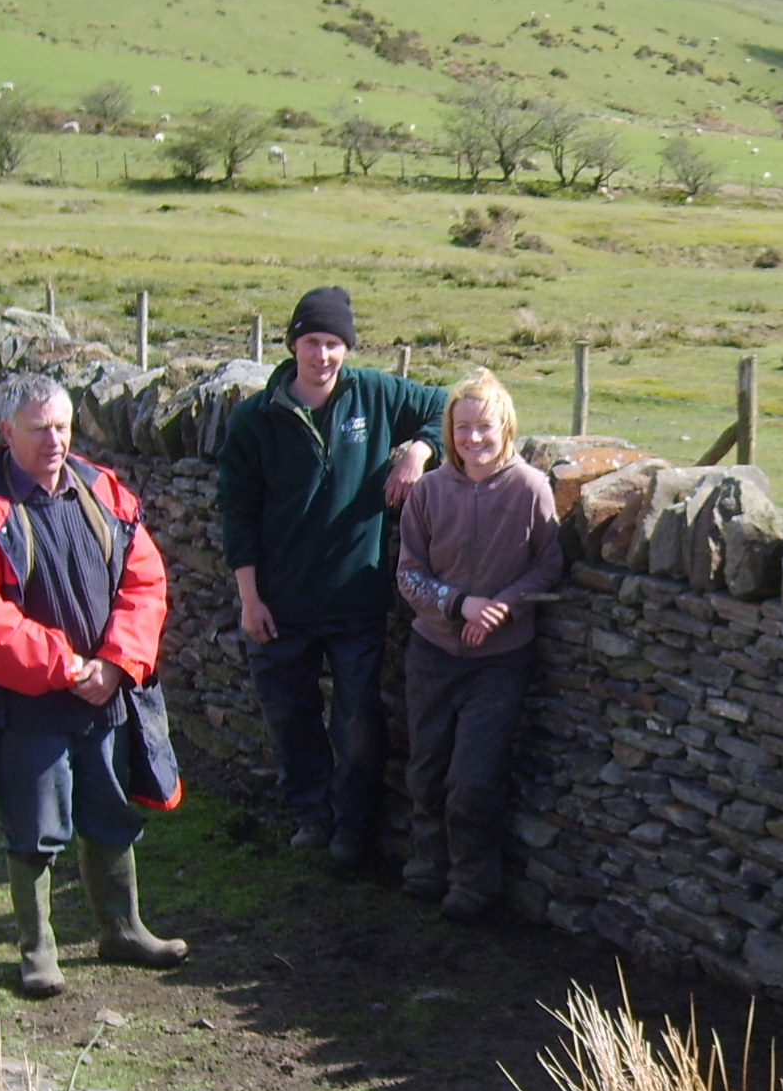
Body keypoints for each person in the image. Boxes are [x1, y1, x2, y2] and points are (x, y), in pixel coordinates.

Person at [0, 370, 187, 998]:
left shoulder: (104, 494)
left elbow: (144, 582)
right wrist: (66, 667)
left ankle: (122, 929)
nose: (55, 440)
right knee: (35, 826)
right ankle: (37, 949)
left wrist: (116, 664)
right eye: (40, 428)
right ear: (6, 431)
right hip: (26, 708)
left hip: (104, 695)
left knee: (112, 811)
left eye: (63, 426)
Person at [216, 286, 446, 866]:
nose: (323, 355)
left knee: (358, 723)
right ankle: (311, 818)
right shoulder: (255, 419)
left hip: (355, 599)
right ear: (293, 343)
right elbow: (237, 513)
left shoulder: (372, 393)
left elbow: (446, 404)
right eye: (312, 342)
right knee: (291, 719)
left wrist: (419, 449)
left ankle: (352, 830)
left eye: (335, 343)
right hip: (280, 602)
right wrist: (250, 598)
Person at [395, 368, 563, 920]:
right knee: (425, 768)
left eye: (484, 427)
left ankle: (473, 885)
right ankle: (426, 868)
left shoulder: (531, 490)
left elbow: (548, 565)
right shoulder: (429, 491)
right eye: (462, 427)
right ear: (448, 430)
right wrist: (458, 604)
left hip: (499, 661)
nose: (472, 438)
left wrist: (502, 608)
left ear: (506, 427)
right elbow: (409, 574)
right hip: (432, 651)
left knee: (472, 779)